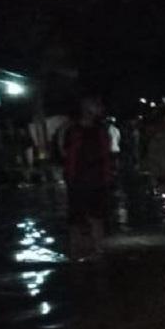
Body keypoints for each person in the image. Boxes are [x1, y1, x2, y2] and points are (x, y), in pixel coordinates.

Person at [64, 97, 112, 258]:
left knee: (97, 216)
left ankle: (97, 247)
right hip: (78, 179)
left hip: (97, 179)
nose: (99, 110)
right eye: (96, 106)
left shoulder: (101, 130)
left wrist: (108, 176)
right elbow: (67, 155)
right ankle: (76, 249)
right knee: (77, 217)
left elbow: (106, 155)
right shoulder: (73, 130)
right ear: (86, 108)